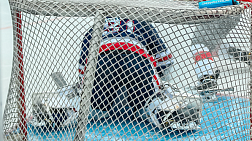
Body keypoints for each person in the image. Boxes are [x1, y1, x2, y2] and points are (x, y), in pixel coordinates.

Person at [32, 17, 202, 130]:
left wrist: (85, 90)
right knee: (152, 98)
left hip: (101, 62)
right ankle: (166, 111)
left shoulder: (96, 26)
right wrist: (158, 84)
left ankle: (62, 110)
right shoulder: (141, 22)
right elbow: (165, 60)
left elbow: (84, 70)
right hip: (137, 59)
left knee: (85, 96)